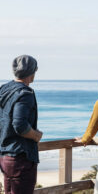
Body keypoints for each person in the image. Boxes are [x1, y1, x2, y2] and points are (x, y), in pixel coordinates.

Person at [0, 55, 43, 194]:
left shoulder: (4, 89)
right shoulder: (24, 93)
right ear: (32, 71)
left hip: (5, 155)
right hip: (20, 157)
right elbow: (20, 125)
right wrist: (35, 135)